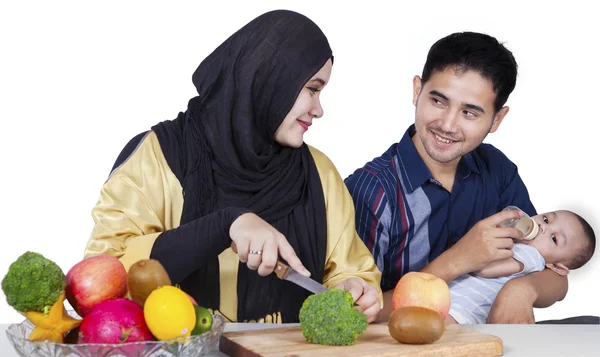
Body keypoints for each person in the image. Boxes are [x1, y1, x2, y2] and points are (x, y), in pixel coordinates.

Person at [83, 10, 382, 324]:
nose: (319, 109)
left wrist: (355, 289)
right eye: (312, 88)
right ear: (270, 79)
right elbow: (102, 280)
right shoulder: (159, 156)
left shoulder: (319, 174)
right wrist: (222, 225)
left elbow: (350, 270)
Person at [345, 31, 568, 324]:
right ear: (417, 90)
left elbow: (556, 275)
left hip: (486, 347)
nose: (448, 124)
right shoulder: (371, 191)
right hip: (400, 356)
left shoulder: (497, 170)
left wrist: (521, 291)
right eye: (438, 101)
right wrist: (459, 259)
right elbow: (355, 315)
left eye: (470, 113)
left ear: (497, 119)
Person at [447, 209, 596, 324]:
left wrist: (467, 251)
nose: (543, 227)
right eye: (546, 219)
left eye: (554, 238)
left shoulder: (531, 255)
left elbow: (484, 269)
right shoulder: (518, 244)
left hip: (462, 313)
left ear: (556, 267)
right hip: (453, 305)